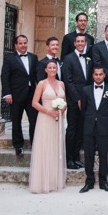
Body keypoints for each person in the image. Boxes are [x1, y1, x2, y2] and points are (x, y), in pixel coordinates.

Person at [28, 60, 67, 193]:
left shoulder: (61, 84)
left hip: (57, 119)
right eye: (49, 68)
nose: (52, 70)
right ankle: (42, 182)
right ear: (45, 70)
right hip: (45, 118)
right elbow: (34, 103)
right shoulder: (42, 84)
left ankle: (53, 181)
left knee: (55, 148)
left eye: (54, 68)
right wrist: (48, 112)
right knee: (45, 147)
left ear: (57, 69)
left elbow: (65, 102)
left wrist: (61, 110)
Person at [80, 66, 108, 193]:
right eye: (96, 74)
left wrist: (105, 120)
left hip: (103, 126)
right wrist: (91, 119)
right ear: (92, 75)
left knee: (103, 154)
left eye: (100, 74)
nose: (98, 76)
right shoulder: (85, 90)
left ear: (104, 75)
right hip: (89, 126)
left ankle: (103, 181)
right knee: (88, 155)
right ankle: (89, 181)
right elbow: (83, 109)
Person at [0, 34, 38, 156]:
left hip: (31, 95)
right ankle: (18, 145)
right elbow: (4, 77)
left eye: (25, 43)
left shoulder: (33, 57)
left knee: (34, 120)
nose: (23, 45)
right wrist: (7, 93)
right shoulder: (9, 58)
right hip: (16, 95)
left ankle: (35, 144)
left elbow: (37, 76)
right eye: (20, 43)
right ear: (16, 45)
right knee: (16, 121)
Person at [61, 34, 91, 170]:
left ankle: (76, 157)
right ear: (74, 43)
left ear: (85, 43)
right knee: (72, 129)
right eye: (78, 41)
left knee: (80, 129)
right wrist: (77, 98)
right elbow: (68, 81)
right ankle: (69, 159)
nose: (80, 43)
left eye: (82, 41)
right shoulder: (68, 59)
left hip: (86, 99)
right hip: (74, 100)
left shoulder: (88, 59)